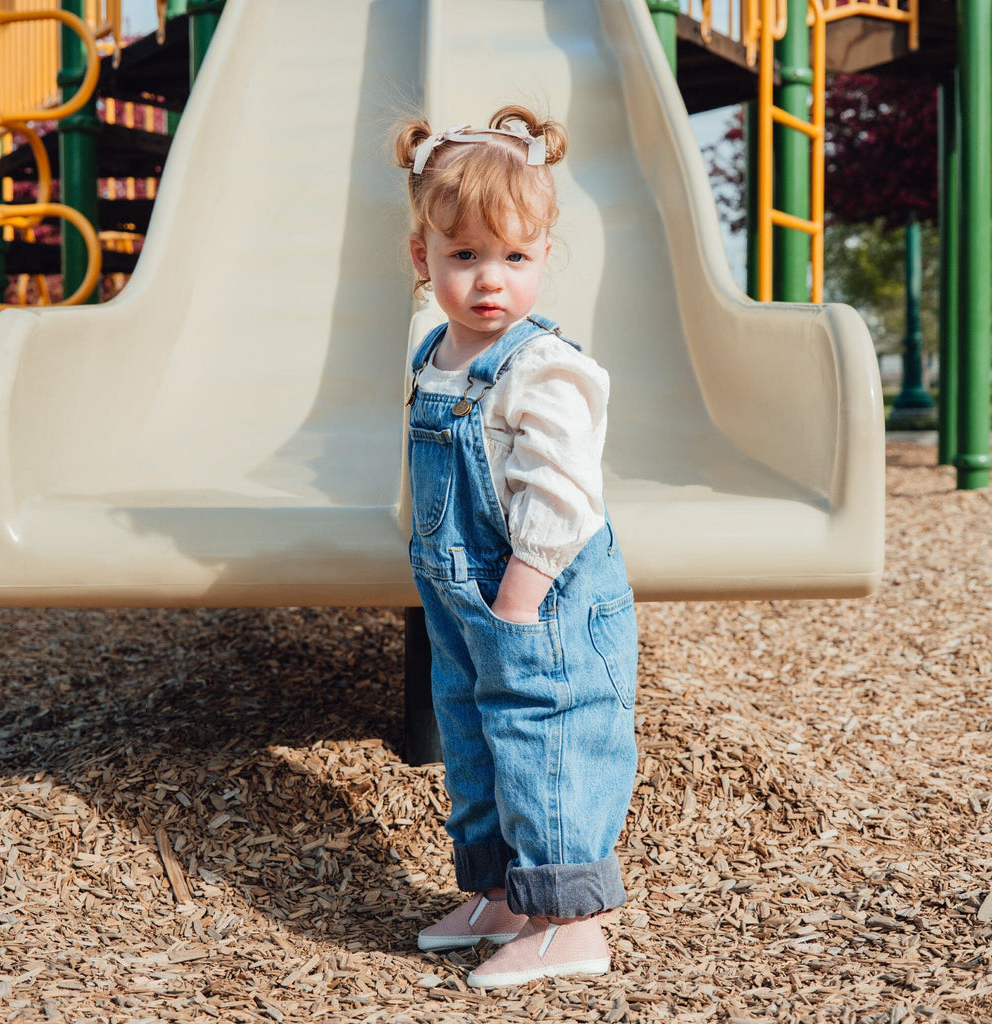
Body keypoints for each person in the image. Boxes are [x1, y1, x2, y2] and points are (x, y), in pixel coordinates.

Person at [394, 106, 638, 988]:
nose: (490, 280)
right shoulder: (437, 354)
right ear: (425, 260)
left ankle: (572, 921)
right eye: (465, 257)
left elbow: (564, 495)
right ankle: (503, 893)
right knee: (474, 738)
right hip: (467, 601)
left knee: (548, 738)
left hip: (539, 598)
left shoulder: (544, 369)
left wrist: (522, 593)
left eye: (515, 257)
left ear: (542, 254)